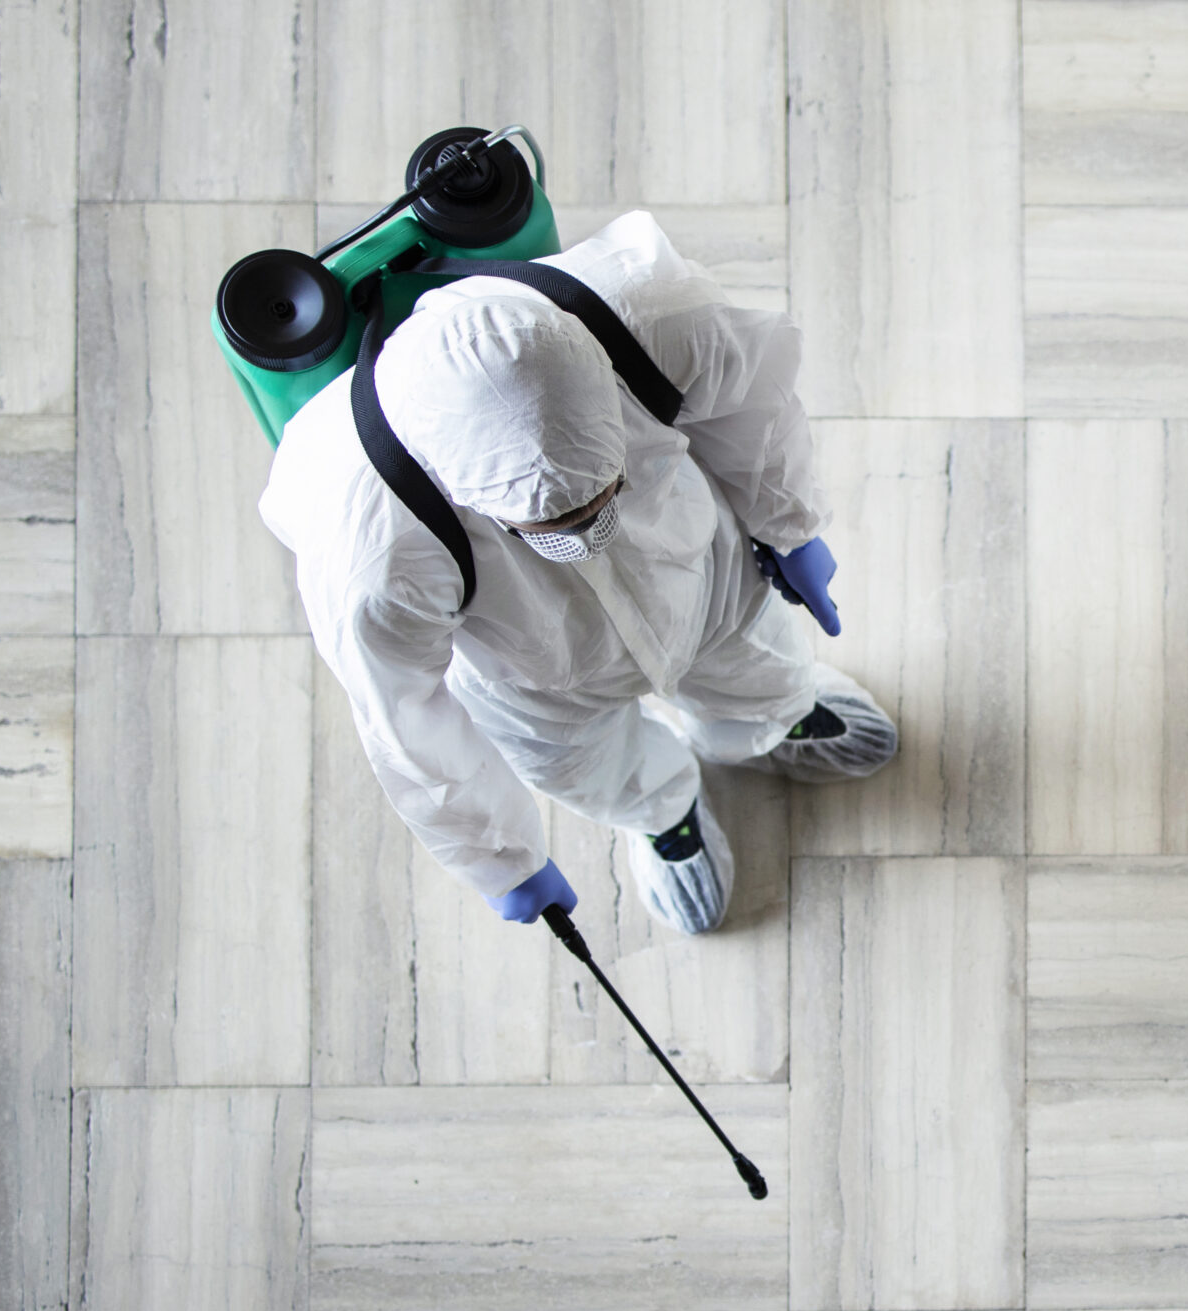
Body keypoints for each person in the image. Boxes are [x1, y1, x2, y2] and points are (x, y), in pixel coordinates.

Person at [259, 211, 895, 937]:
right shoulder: (368, 545)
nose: (591, 533)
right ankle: (663, 810)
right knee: (591, 765)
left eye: (603, 495)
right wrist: (503, 859)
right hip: (530, 675)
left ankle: (773, 719)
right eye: (555, 527)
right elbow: (403, 721)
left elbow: (755, 403)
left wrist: (789, 526)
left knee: (760, 662)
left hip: (697, 572)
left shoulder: (644, 311)